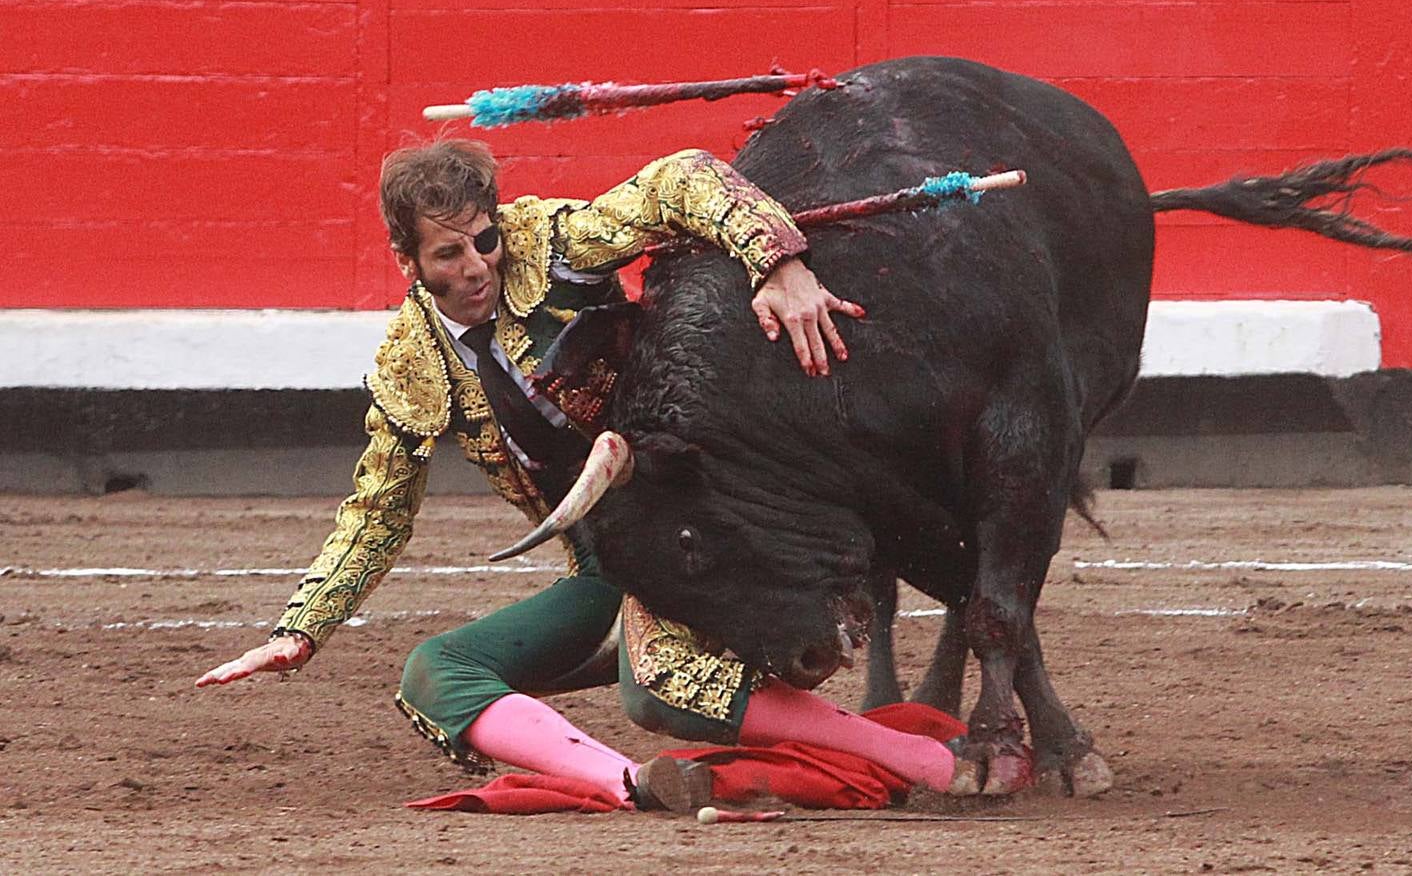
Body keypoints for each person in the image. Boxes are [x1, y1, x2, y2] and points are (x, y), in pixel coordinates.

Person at [197, 139, 958, 810]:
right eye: (447, 257)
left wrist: (777, 260)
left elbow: (682, 178)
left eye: (483, 243)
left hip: (690, 514)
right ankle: (625, 785)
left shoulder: (550, 245)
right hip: (601, 557)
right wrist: (300, 631)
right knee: (434, 671)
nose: (476, 268)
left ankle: (916, 758)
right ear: (407, 261)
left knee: (657, 684)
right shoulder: (411, 363)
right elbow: (378, 512)